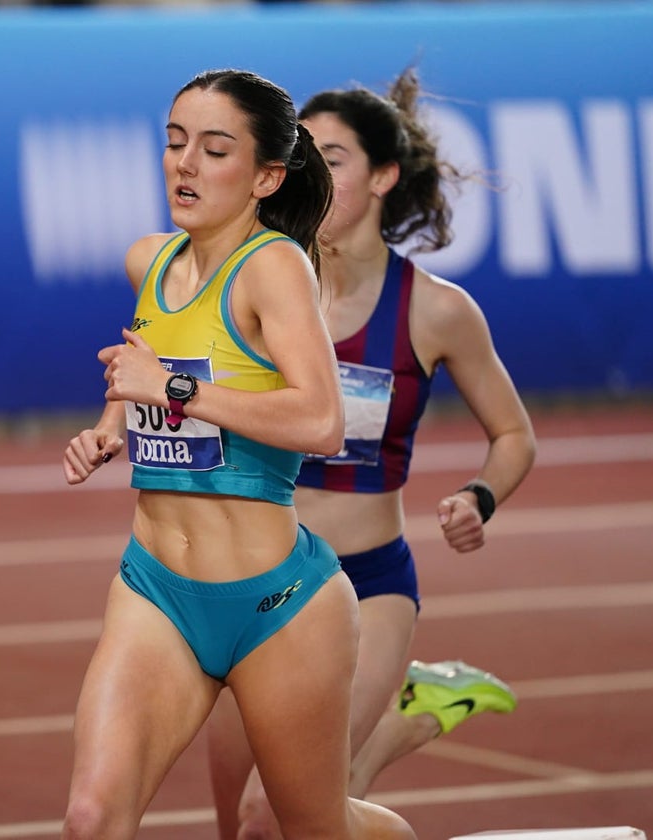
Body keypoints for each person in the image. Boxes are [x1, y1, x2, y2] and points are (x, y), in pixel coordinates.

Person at [60, 68, 414, 839]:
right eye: (175, 142)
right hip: (155, 588)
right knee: (91, 818)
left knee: (315, 828)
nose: (184, 164)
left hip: (277, 605)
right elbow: (151, 360)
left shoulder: (275, 266)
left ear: (265, 176)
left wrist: (174, 389)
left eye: (213, 149)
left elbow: (323, 422)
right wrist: (112, 425)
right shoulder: (148, 260)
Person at [205, 67, 537, 837]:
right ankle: (407, 719)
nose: (312, 174)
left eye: (335, 157)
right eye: (302, 156)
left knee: (272, 813)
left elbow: (514, 433)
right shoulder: (246, 280)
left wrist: (480, 496)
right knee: (243, 826)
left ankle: (398, 726)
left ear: (384, 175)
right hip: (251, 574)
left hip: (365, 585)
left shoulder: (437, 310)